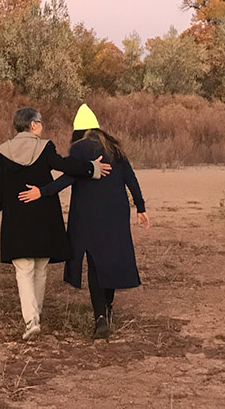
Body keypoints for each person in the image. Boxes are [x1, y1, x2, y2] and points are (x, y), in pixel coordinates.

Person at [19, 104, 149, 339]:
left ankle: (99, 316)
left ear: (78, 130)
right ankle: (107, 309)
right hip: (116, 213)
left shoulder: (79, 149)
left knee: (95, 263)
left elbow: (69, 177)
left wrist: (43, 191)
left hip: (88, 215)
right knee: (110, 258)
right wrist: (140, 208)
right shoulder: (114, 147)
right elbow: (131, 178)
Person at [0, 107, 110, 341]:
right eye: (41, 122)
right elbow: (65, 166)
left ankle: (31, 319)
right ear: (33, 125)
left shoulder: (2, 150)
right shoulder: (45, 147)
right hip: (44, 216)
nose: (42, 125)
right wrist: (91, 168)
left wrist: (5, 205)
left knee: (23, 269)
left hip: (16, 218)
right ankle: (37, 314)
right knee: (40, 268)